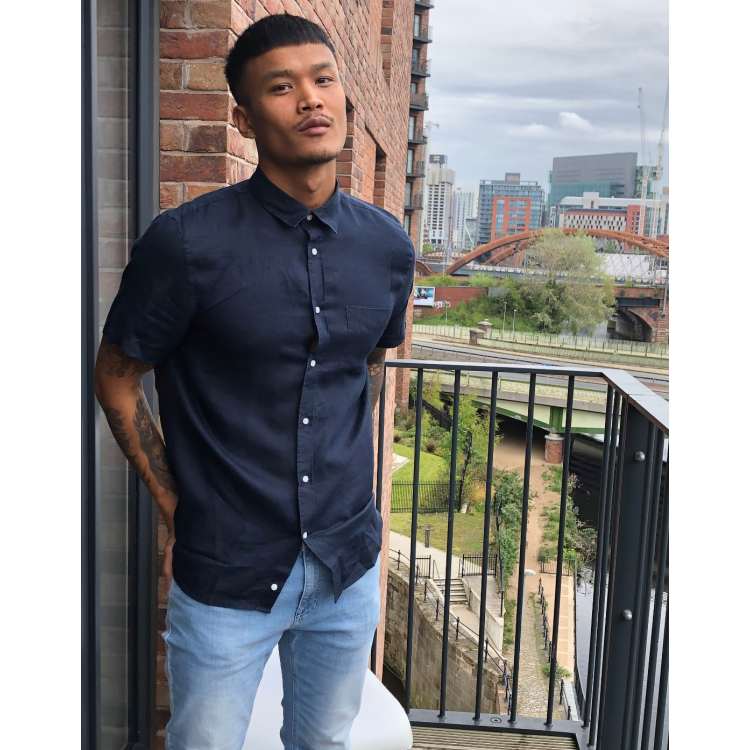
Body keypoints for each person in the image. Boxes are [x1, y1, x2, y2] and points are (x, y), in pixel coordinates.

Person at [94, 12, 415, 750]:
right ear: (243, 118)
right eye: (281, 87)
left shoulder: (386, 247)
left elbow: (366, 366)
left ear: (343, 99)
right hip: (226, 567)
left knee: (325, 743)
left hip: (345, 566)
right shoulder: (185, 245)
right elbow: (116, 377)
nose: (311, 99)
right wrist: (172, 502)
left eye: (323, 80)